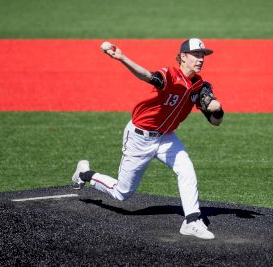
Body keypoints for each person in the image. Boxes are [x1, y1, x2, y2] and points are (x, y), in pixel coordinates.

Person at [71, 38, 224, 240]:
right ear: (184, 56)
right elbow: (147, 75)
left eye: (203, 55)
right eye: (196, 54)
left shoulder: (199, 85)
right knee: (122, 193)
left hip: (167, 138)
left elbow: (215, 122)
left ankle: (191, 221)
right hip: (139, 137)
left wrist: (217, 109)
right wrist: (122, 58)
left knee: (186, 169)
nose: (201, 59)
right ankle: (85, 174)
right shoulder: (170, 75)